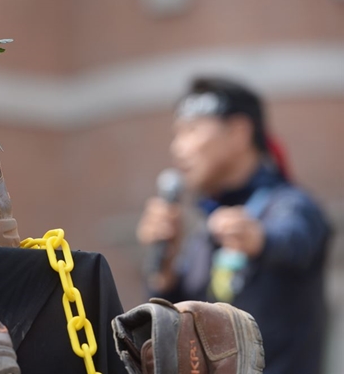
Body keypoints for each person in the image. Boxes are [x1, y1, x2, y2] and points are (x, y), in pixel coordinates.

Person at [137, 77, 331, 374]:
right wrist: (164, 272)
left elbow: (295, 241)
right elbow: (182, 324)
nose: (178, 148)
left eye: (191, 131)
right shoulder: (205, 231)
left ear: (239, 132)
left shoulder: (289, 205)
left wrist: (259, 239)